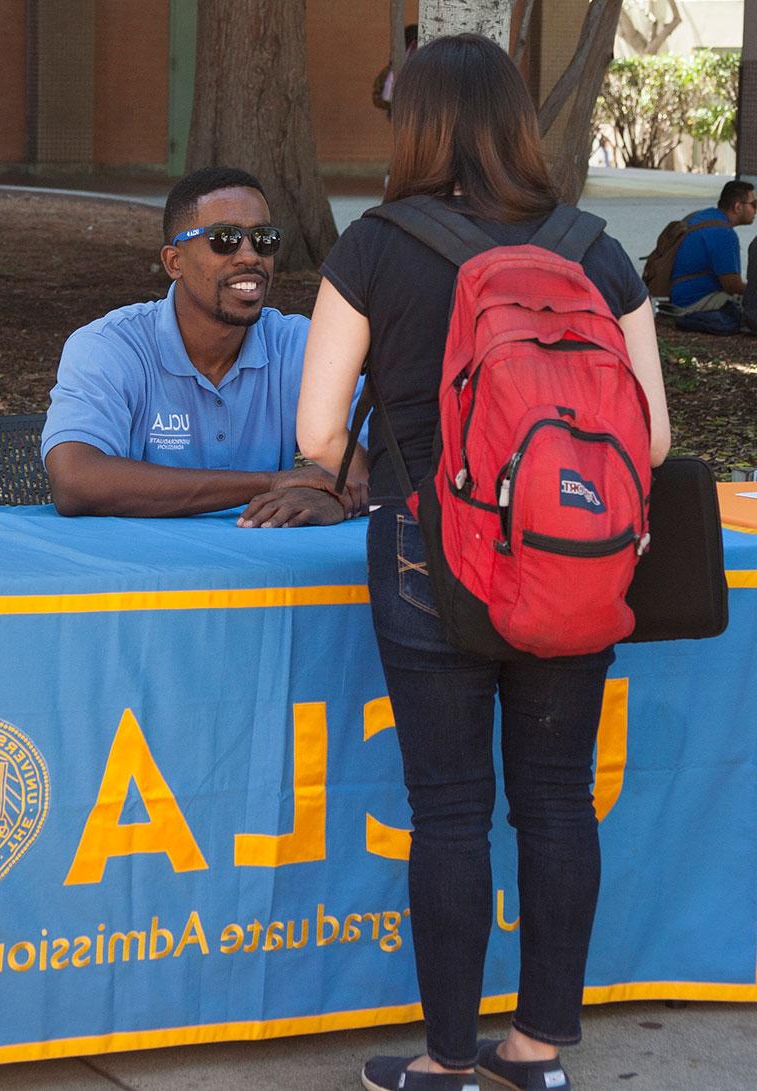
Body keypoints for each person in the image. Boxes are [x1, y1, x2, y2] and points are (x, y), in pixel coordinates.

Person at [297, 34, 670, 1091]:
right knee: (556, 801)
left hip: (429, 553)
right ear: (514, 119)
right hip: (573, 555)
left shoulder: (375, 245)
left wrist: (407, 468)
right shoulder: (593, 248)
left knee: (447, 808)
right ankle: (540, 1051)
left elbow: (319, 434)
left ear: (414, 125)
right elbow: (648, 442)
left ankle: (445, 1058)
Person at [42, 166, 365, 527]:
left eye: (264, 239)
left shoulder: (297, 345)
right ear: (174, 262)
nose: (249, 256)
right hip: (136, 573)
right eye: (224, 239)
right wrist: (269, 483)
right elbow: (74, 480)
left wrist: (340, 500)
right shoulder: (110, 347)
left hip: (264, 574)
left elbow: (388, 461)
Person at [669, 180, 755, 314]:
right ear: (738, 207)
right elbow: (733, 286)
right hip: (693, 302)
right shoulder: (723, 233)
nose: (755, 210)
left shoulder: (702, 217)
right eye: (754, 205)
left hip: (677, 296)